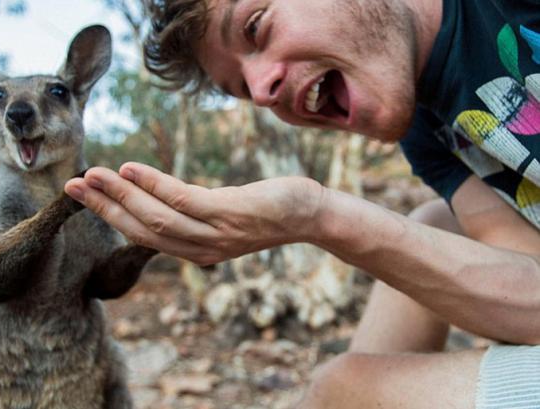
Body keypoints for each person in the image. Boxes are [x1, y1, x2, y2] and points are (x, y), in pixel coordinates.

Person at [64, 0, 540, 407]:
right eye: (244, 89)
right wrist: (316, 216)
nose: (263, 92)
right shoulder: (426, 130)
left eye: (256, 26)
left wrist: (321, 218)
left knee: (344, 392)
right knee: (436, 222)